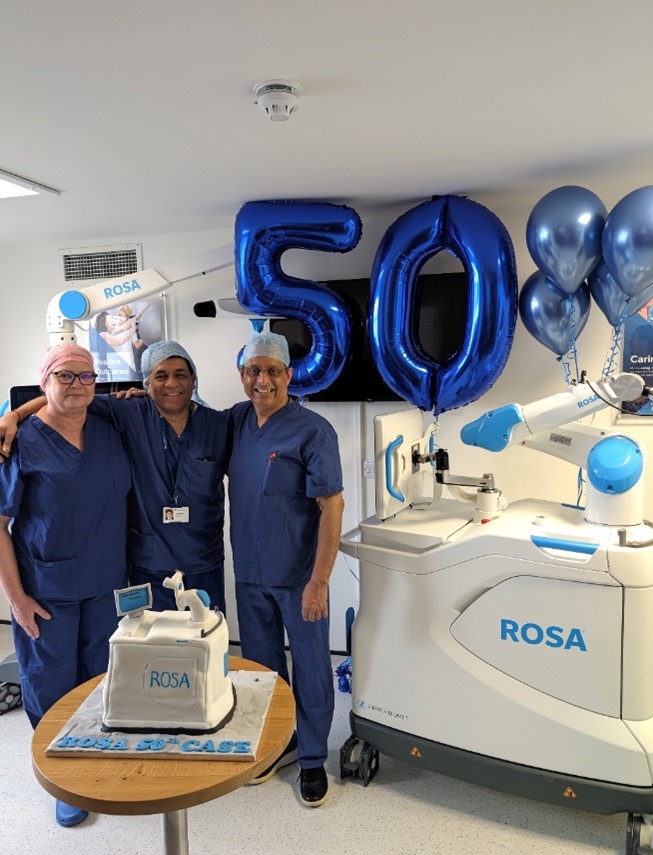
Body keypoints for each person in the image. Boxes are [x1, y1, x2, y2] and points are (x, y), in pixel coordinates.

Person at [0, 344, 131, 828]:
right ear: (44, 383)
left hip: (105, 583)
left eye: (87, 376)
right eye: (65, 376)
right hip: (46, 588)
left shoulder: (110, 430)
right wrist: (16, 600)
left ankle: (94, 758)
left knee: (100, 678)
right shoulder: (19, 443)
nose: (77, 385)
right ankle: (61, 776)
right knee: (51, 683)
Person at [1, 340, 230, 613]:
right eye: (161, 375)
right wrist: (13, 415)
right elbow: (65, 399)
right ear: (146, 382)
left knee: (208, 640)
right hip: (149, 562)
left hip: (204, 559)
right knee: (154, 646)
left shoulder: (218, 424)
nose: (171, 383)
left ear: (194, 379)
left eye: (181, 374)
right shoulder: (128, 411)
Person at [228, 330, 344, 807]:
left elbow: (332, 507)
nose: (263, 380)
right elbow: (175, 412)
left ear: (289, 376)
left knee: (312, 666)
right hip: (251, 574)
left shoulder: (312, 430)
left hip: (299, 577)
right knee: (262, 668)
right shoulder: (237, 422)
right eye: (253, 370)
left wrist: (319, 582)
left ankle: (314, 758)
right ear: (242, 376)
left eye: (272, 370)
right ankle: (282, 742)